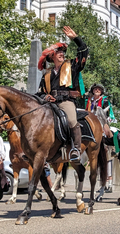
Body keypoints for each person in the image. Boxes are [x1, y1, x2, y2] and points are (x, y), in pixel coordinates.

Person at [36, 26, 88, 162]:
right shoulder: (46, 74)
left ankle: (76, 149)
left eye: (62, 52)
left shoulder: (72, 66)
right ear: (51, 56)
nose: (62, 54)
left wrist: (76, 39)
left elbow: (84, 53)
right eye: (58, 52)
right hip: (49, 103)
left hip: (66, 101)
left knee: (71, 119)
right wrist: (46, 96)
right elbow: (40, 93)